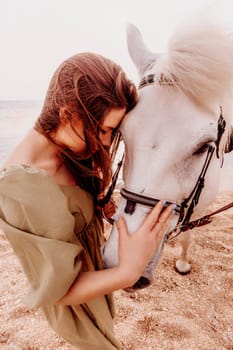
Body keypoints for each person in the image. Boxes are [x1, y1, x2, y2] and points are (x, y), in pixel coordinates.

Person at [0, 52, 175, 350]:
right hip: (75, 307)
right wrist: (127, 272)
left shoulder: (68, 149)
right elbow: (60, 291)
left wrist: (96, 206)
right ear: (68, 114)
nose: (107, 142)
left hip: (96, 284)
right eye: (104, 129)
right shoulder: (21, 185)